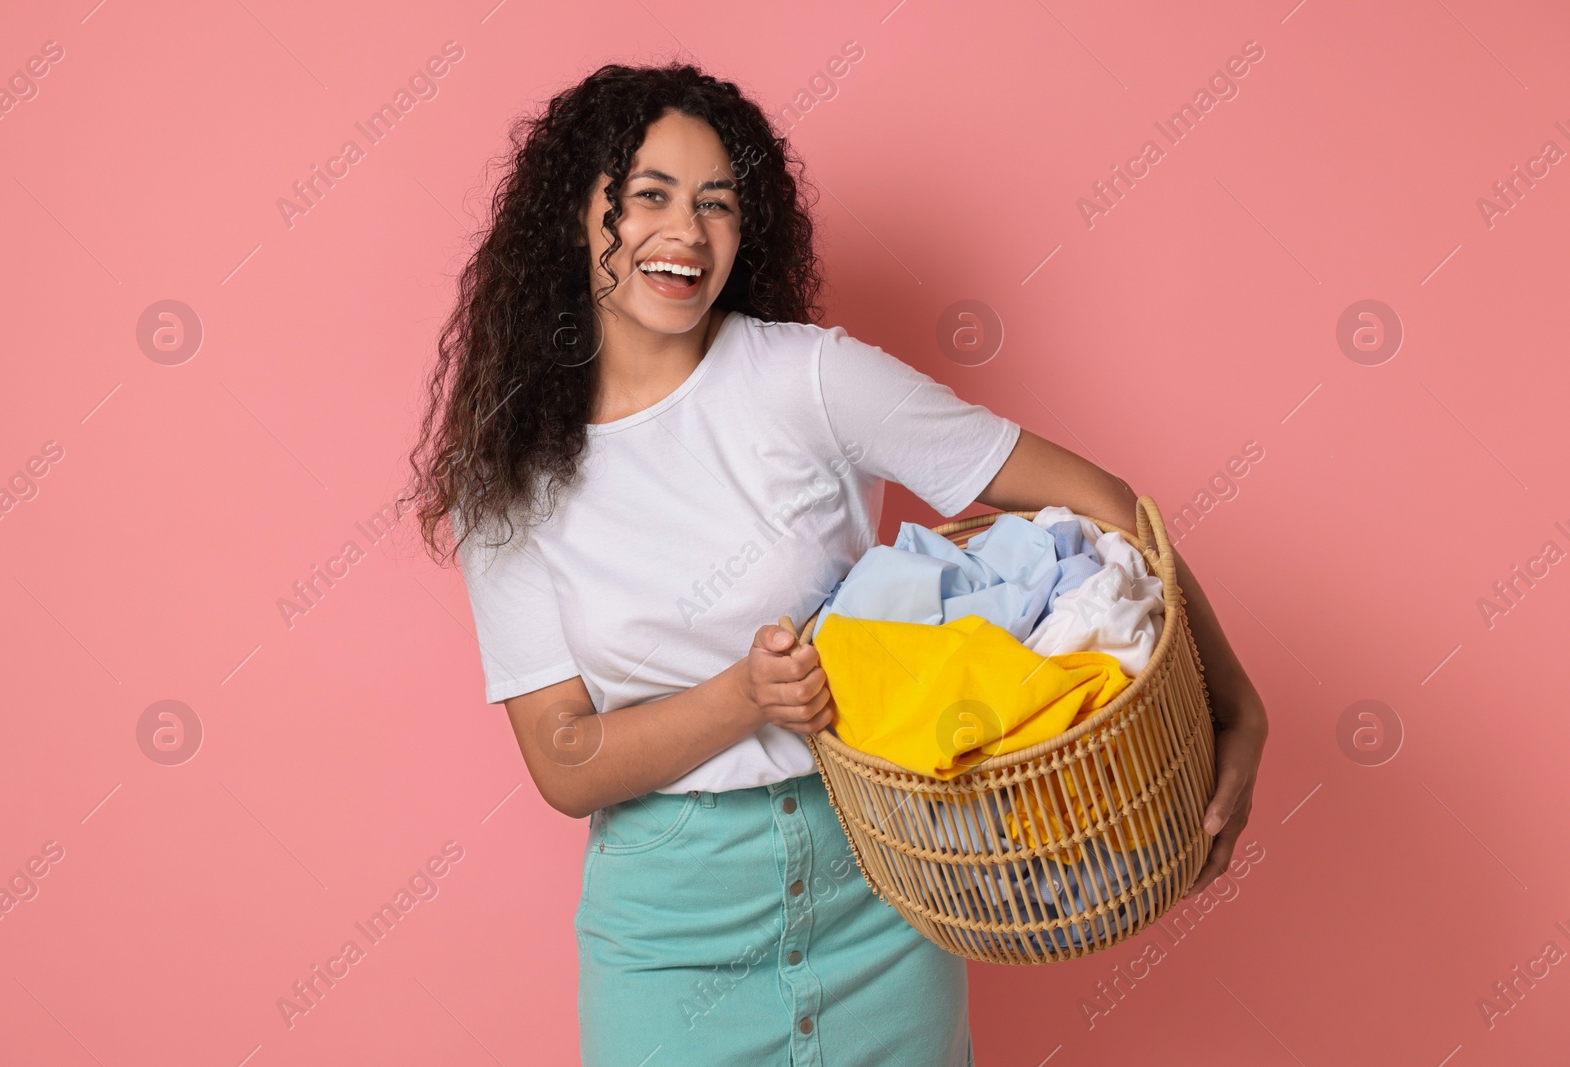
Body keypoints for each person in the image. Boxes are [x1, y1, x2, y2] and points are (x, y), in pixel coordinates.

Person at [401, 61, 1267, 1067]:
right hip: (667, 947)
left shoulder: (807, 379)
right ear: (571, 210)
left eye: (717, 204)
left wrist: (1233, 704)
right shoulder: (510, 474)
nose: (685, 231)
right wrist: (747, 696)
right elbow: (562, 756)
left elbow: (1103, 503)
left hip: (881, 887)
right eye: (648, 196)